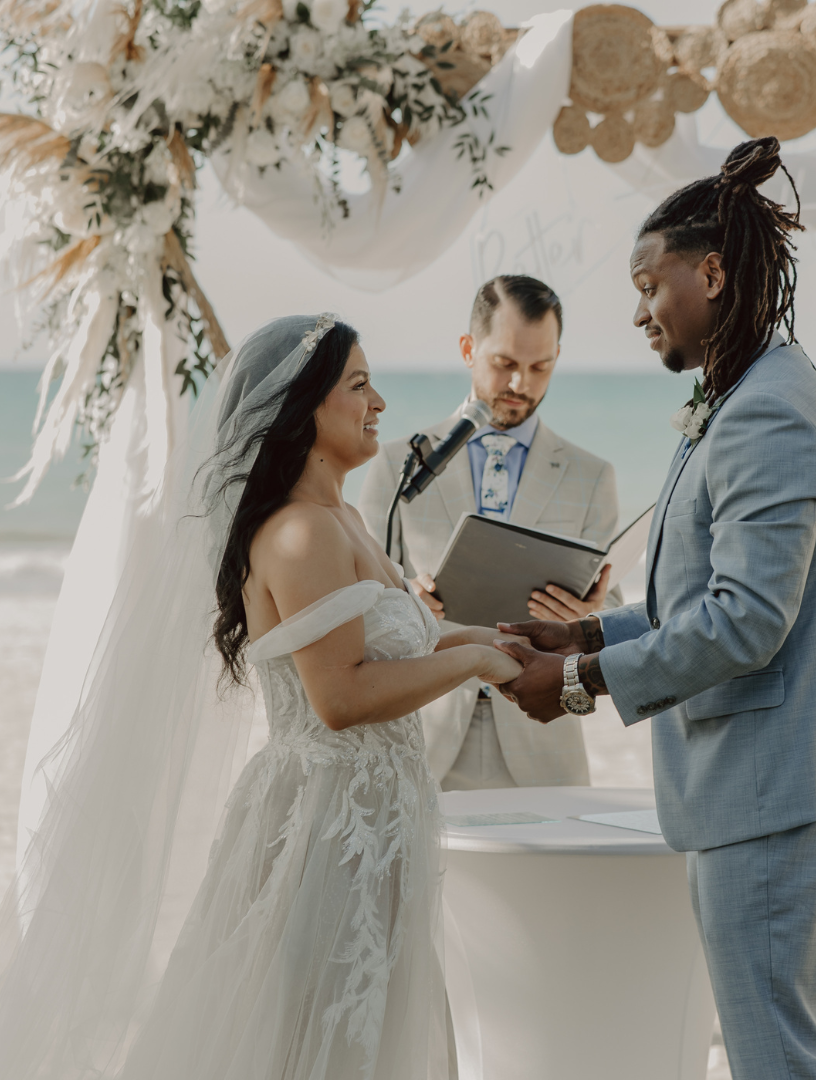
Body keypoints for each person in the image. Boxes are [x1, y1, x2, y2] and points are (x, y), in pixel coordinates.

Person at [0, 315, 520, 1080]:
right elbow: (338, 696)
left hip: (379, 817)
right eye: (357, 384)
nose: (380, 400)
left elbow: (402, 638)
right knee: (310, 1028)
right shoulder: (299, 535)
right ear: (301, 411)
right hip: (325, 818)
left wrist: (513, 640)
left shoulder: (345, 518)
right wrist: (477, 660)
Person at [494, 138, 816, 1079]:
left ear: (710, 272)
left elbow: (749, 621)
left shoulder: (768, 411)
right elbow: (698, 599)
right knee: (782, 1041)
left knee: (773, 1055)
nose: (636, 312)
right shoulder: (745, 391)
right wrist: (587, 630)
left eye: (647, 285)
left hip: (768, 784)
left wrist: (582, 683)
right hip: (765, 781)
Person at [359, 275, 621, 791]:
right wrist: (404, 599)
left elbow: (612, 613)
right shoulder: (394, 463)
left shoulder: (595, 476)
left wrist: (586, 617)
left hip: (542, 740)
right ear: (468, 349)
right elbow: (360, 607)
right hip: (419, 733)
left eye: (540, 366)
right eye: (505, 363)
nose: (521, 384)